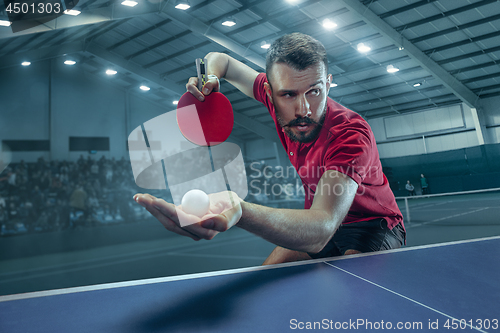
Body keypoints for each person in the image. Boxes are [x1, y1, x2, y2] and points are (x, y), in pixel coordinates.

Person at [134, 33, 405, 264]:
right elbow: (222, 60)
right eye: (288, 94)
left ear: (329, 83)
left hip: (373, 227)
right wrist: (210, 78)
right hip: (320, 226)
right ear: (269, 91)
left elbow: (322, 227)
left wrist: (239, 210)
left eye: (315, 91)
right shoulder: (272, 95)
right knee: (263, 278)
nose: (304, 109)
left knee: (352, 298)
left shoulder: (349, 134)